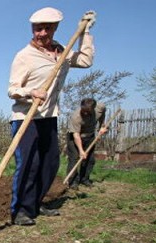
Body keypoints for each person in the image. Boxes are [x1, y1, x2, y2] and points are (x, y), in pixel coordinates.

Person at [7, 7, 96, 226]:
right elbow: (12, 89)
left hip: (49, 116)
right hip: (26, 117)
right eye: (38, 29)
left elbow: (85, 60)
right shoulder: (24, 56)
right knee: (29, 164)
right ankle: (20, 211)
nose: (42, 33)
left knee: (50, 164)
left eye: (47, 28)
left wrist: (84, 32)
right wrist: (31, 92)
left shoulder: (62, 52)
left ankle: (35, 203)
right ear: (33, 29)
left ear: (55, 28)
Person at [66, 98, 108, 189]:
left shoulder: (100, 108)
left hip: (90, 136)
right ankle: (72, 181)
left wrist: (102, 127)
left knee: (90, 159)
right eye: (83, 110)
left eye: (87, 111)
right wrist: (81, 150)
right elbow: (76, 135)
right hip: (74, 137)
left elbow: (103, 115)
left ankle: (84, 179)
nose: (85, 113)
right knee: (74, 158)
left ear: (93, 108)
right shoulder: (76, 116)